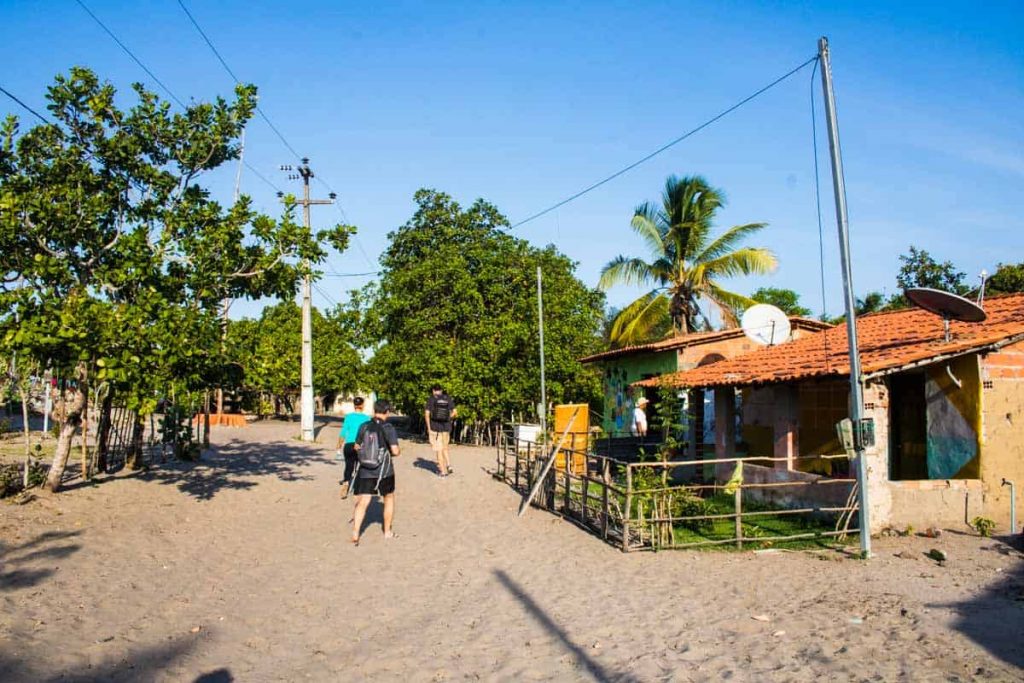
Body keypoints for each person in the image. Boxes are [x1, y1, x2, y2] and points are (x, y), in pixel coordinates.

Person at [351, 400, 401, 545]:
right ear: (386, 411)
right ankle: (387, 532)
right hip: (384, 470)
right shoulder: (388, 427)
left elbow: (356, 446)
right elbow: (395, 451)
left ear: (374, 410)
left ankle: (355, 532)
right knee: (389, 498)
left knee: (363, 500)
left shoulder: (364, 426)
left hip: (366, 469)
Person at [336, 396, 370, 498]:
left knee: (349, 466)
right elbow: (367, 434)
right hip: (360, 446)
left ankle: (346, 484)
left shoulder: (349, 417)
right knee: (363, 466)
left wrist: (339, 443)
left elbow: (343, 431)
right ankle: (359, 486)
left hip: (349, 445)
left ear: (354, 405)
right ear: (362, 405)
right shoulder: (366, 418)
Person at [425, 384, 457, 477]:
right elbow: (455, 412)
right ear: (441, 390)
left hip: (435, 428)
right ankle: (449, 465)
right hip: (446, 427)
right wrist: (448, 417)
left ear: (433, 390)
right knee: (445, 447)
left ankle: (443, 471)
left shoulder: (431, 399)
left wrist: (428, 428)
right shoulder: (448, 398)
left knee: (438, 449)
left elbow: (427, 414)